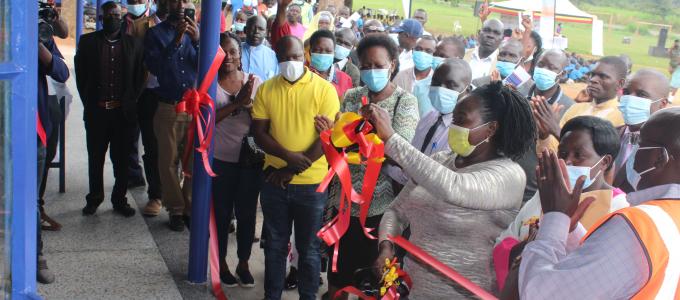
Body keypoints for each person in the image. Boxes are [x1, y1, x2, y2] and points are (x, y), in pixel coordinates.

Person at [368, 81, 535, 298]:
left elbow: (454, 188)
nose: (453, 126)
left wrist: (392, 139)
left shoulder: (509, 175)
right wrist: (386, 245)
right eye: (453, 118)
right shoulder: (439, 161)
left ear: (491, 128)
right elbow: (396, 211)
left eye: (461, 120)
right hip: (412, 289)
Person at [518, 107, 680, 299]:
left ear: (659, 157)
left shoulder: (639, 225)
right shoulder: (667, 217)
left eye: (639, 142)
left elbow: (541, 294)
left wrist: (554, 217)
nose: (633, 151)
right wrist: (569, 228)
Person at [315, 34, 419, 299]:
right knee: (338, 276)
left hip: (379, 210)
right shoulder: (351, 96)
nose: (371, 72)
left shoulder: (403, 102)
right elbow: (338, 148)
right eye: (365, 66)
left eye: (378, 65)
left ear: (392, 65)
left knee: (372, 282)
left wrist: (371, 138)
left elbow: (400, 152)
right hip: (344, 205)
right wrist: (329, 138)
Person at [252, 35, 340, 300]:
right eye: (286, 58)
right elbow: (259, 133)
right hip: (274, 183)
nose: (292, 62)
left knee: (309, 248)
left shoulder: (325, 90)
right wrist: (288, 156)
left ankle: (308, 296)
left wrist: (291, 169)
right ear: (277, 58)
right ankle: (272, 295)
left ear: (305, 57)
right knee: (275, 245)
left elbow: (329, 138)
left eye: (297, 57)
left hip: (311, 185)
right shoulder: (266, 89)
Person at [498, 116, 627, 244]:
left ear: (604, 162)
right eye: (563, 154)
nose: (566, 162)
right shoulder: (549, 191)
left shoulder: (619, 207)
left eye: (578, 155)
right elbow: (506, 239)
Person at [75, 1, 145, 218]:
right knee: (95, 158)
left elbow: (140, 77)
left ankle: (119, 199)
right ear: (100, 18)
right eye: (108, 15)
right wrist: (89, 102)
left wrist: (131, 101)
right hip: (97, 112)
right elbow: (81, 77)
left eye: (116, 15)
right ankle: (94, 198)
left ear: (122, 18)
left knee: (122, 159)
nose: (113, 18)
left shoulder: (133, 45)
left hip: (122, 114)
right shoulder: (87, 43)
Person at [212, 32, 262, 288]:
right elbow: (205, 122)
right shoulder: (210, 83)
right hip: (220, 159)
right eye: (222, 52)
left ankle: (243, 262)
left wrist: (250, 106)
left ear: (240, 55)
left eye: (232, 51)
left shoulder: (255, 82)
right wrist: (236, 104)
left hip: (249, 162)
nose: (228, 57)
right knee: (221, 215)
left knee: (246, 215)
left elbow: (264, 125)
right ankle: (220, 263)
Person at [144, 0, 200, 231]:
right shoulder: (154, 34)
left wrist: (196, 40)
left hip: (195, 107)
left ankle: (188, 208)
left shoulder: (199, 33)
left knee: (192, 162)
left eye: (184, 0)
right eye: (175, 0)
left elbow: (207, 65)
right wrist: (176, 41)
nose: (180, 5)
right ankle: (175, 209)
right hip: (168, 106)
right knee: (167, 162)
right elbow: (157, 68)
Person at [391, 58, 472, 185]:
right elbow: (411, 163)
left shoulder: (465, 133)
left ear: (467, 90)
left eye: (450, 85)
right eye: (436, 83)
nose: (440, 89)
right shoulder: (429, 117)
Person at [121, 0, 166, 217]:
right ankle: (156, 194)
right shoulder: (142, 27)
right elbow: (133, 59)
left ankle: (176, 196)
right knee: (152, 146)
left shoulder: (189, 28)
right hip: (149, 95)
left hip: (178, 97)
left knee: (177, 148)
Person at [37, 0, 70, 284]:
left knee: (33, 194)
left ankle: (36, 254)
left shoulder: (41, 28)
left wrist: (40, 48)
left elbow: (61, 71)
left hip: (39, 112)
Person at [536, 56, 627, 153]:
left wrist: (555, 130)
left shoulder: (622, 119)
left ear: (620, 84)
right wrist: (544, 136)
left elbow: (593, 159)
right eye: (592, 74)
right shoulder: (575, 108)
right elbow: (552, 152)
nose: (593, 80)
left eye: (603, 76)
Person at [613, 69, 670, 192]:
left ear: (662, 104)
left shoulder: (668, 151)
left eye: (641, 95)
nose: (630, 99)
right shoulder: (611, 133)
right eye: (627, 92)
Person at [308, 29, 353, 99]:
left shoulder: (345, 79)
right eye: (318, 50)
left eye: (328, 51)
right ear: (310, 51)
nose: (323, 54)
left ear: (333, 53)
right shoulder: (301, 75)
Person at [242, 15, 279, 82]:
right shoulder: (235, 51)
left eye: (261, 29)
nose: (256, 31)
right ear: (245, 30)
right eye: (252, 28)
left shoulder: (272, 56)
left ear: (266, 32)